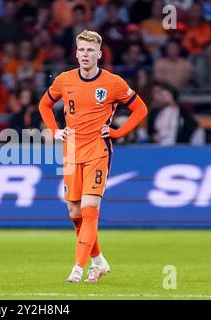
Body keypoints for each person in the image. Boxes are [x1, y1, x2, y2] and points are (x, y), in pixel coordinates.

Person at [38, 30, 148, 282]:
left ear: (99, 54)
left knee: (89, 209)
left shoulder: (113, 83)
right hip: (71, 151)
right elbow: (44, 105)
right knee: (74, 212)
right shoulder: (64, 80)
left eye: (90, 50)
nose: (85, 54)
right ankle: (98, 262)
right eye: (81, 50)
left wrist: (118, 132)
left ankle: (78, 268)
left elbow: (140, 109)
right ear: (76, 53)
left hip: (98, 150)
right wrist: (54, 130)